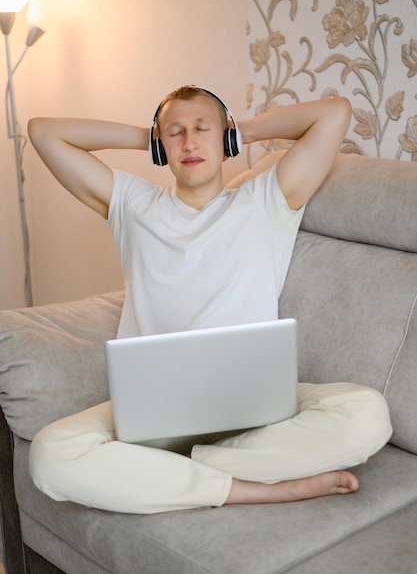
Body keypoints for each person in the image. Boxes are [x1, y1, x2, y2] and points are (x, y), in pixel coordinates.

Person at [27, 86, 392, 514]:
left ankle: (166, 473)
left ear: (226, 140)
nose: (189, 142)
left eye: (203, 129)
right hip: (152, 409)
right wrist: (148, 135)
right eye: (175, 133)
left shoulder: (267, 200)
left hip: (252, 407)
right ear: (161, 146)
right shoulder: (132, 204)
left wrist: (239, 130)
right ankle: (257, 487)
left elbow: (335, 112)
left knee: (368, 413)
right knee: (50, 455)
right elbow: (43, 132)